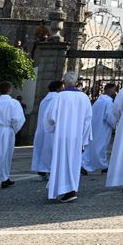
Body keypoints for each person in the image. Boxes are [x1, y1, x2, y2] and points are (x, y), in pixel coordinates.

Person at [45, 72, 93, 203]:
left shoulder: (59, 97)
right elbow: (88, 120)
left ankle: (66, 190)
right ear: (76, 82)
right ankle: (70, 188)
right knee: (73, 162)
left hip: (62, 135)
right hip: (77, 136)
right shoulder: (84, 98)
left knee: (61, 161)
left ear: (64, 82)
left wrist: (53, 128)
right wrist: (84, 138)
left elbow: (50, 117)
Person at [82, 83, 117, 174]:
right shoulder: (108, 102)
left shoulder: (99, 100)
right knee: (101, 147)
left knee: (92, 147)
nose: (115, 92)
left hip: (95, 126)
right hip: (103, 128)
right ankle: (102, 166)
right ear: (109, 90)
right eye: (114, 90)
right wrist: (116, 125)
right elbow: (109, 116)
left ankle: (85, 164)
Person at [31, 81, 63, 177]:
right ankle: (49, 169)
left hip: (42, 128)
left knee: (42, 149)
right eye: (62, 87)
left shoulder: (44, 99)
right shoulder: (58, 98)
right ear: (57, 88)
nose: (63, 88)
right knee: (51, 150)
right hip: (52, 128)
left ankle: (41, 168)